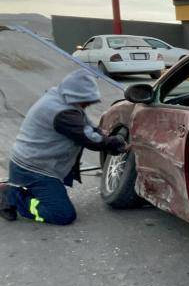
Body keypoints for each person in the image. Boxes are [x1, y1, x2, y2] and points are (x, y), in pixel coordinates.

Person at [0, 69, 127, 225]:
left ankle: (19, 190)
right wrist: (114, 143)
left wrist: (104, 136)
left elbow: (87, 126)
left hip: (32, 164)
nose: (88, 104)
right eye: (86, 100)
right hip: (33, 170)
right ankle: (12, 196)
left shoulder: (60, 98)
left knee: (57, 203)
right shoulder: (62, 112)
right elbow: (89, 138)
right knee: (62, 214)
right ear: (75, 95)